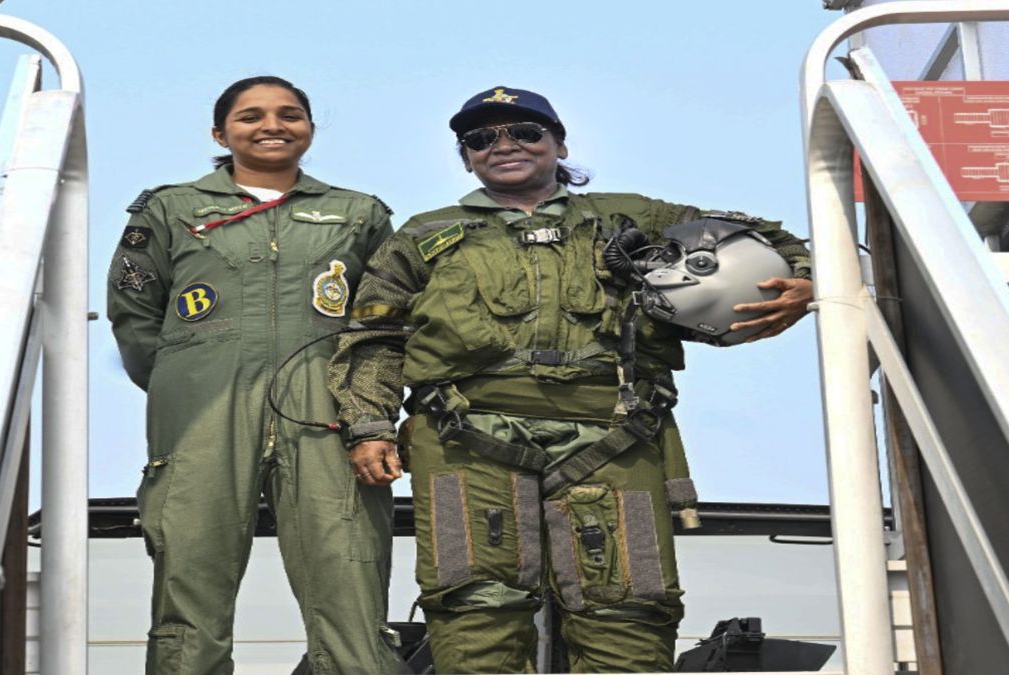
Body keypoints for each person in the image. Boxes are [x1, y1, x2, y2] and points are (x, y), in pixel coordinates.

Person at [329, 86, 812, 673]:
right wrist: (370, 426)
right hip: (466, 438)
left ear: (558, 144)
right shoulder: (423, 236)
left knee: (628, 608)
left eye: (524, 132)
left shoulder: (635, 219)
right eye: (481, 139)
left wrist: (803, 279)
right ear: (467, 158)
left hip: (616, 435)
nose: (503, 145)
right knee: (474, 607)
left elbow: (764, 237)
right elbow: (375, 335)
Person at [107, 75, 405, 674]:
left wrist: (369, 414)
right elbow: (134, 314)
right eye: (250, 116)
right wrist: (186, 382)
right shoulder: (170, 209)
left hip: (328, 416)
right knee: (190, 585)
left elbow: (385, 321)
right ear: (220, 134)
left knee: (350, 582)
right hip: (201, 417)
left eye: (289, 114)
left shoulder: (359, 213)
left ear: (310, 129)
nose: (272, 125)